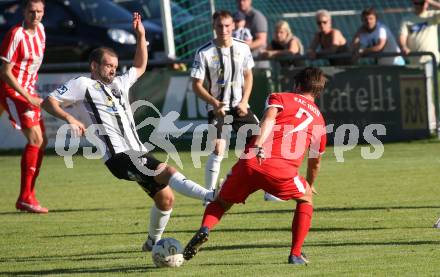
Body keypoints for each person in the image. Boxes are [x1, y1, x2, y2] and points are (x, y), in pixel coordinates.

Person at [42, 13, 216, 252]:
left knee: (165, 199)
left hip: (136, 152)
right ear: (94, 66)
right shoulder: (83, 84)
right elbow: (49, 101)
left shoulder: (119, 84)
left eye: (115, 66)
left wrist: (141, 35)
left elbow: (140, 66)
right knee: (169, 171)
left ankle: (152, 243)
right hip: (119, 156)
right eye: (108, 65)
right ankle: (210, 195)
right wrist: (69, 117)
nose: (113, 70)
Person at [182, 67, 328, 265]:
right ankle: (295, 254)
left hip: (251, 162)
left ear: (297, 85)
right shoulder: (319, 120)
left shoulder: (280, 97)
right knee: (306, 199)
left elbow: (269, 118)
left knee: (221, 202)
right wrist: (309, 184)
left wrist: (258, 145)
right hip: (282, 172)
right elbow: (315, 161)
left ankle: (205, 229)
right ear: (318, 91)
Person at [190, 10, 259, 204]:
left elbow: (248, 76)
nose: (224, 29)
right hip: (217, 107)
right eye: (219, 26)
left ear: (233, 26)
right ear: (214, 27)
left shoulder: (243, 48)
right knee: (218, 148)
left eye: (227, 25)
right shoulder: (203, 52)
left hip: (239, 105)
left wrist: (245, 101)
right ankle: (210, 195)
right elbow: (196, 84)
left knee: (260, 143)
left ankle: (269, 189)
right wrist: (214, 103)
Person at [0, 0, 48, 213]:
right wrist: (27, 96)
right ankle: (24, 197)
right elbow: (5, 72)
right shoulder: (16, 34)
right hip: (13, 91)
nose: (35, 15)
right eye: (31, 11)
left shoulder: (42, 31)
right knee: (35, 139)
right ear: (24, 11)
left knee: (43, 141)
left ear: (43, 12)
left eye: (39, 11)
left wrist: (31, 93)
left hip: (29, 92)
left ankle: (29, 195)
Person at [399, 0, 440, 65]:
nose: (418, 5)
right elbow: (402, 36)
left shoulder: (433, 16)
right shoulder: (406, 19)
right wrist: (404, 46)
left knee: (429, 75)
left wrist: (430, 1)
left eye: (421, 3)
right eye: (416, 3)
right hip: (414, 61)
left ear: (426, 4)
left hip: (430, 58)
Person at [236, 0, 268, 67]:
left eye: (244, 0)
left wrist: (242, 49)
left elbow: (262, 40)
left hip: (257, 62)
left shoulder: (256, 16)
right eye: (239, 0)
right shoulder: (235, 16)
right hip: (241, 62)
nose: (241, 2)